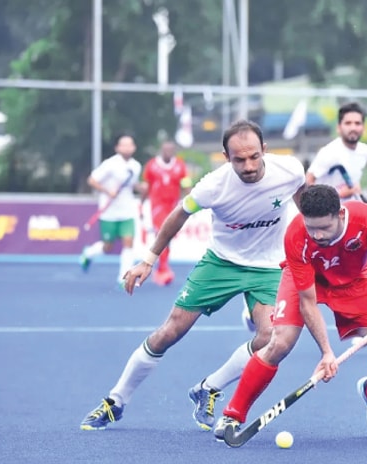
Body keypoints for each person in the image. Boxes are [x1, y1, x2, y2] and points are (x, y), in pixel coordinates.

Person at [79, 120, 306, 432]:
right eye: (239, 159)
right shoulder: (213, 186)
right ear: (226, 157)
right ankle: (116, 400)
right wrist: (148, 259)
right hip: (221, 263)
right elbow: (179, 214)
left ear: (265, 150)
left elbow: (304, 201)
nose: (249, 165)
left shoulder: (290, 169)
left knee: (271, 337)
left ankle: (209, 387)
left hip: (268, 266)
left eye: (254, 156)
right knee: (170, 332)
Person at [216, 184, 367, 443]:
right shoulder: (297, 235)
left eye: (324, 227)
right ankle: (233, 415)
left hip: (355, 282)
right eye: (312, 228)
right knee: (279, 343)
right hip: (308, 282)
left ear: (340, 216)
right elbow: (308, 302)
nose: (318, 235)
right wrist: (326, 352)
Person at [79, 134, 144, 286]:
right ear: (117, 148)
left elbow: (133, 184)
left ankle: (123, 277)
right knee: (108, 246)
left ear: (134, 148)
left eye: (130, 144)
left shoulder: (136, 166)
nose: (127, 147)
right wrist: (108, 191)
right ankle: (88, 254)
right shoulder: (110, 164)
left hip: (127, 211)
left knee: (129, 243)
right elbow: (92, 180)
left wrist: (140, 187)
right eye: (124, 145)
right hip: (109, 212)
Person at [141, 140, 191, 286]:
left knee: (168, 237)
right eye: (165, 150)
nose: (168, 152)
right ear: (161, 150)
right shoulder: (152, 165)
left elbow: (186, 184)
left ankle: (161, 267)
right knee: (162, 234)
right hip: (157, 207)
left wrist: (192, 201)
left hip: (173, 206)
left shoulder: (180, 165)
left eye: (171, 150)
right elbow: (146, 186)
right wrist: (141, 203)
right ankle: (163, 270)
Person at [305, 102, 367, 203]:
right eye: (348, 123)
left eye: (357, 123)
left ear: (363, 128)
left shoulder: (365, 151)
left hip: (350, 210)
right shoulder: (329, 152)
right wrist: (339, 194)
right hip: (328, 214)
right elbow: (308, 182)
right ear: (339, 128)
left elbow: (355, 180)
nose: (353, 128)